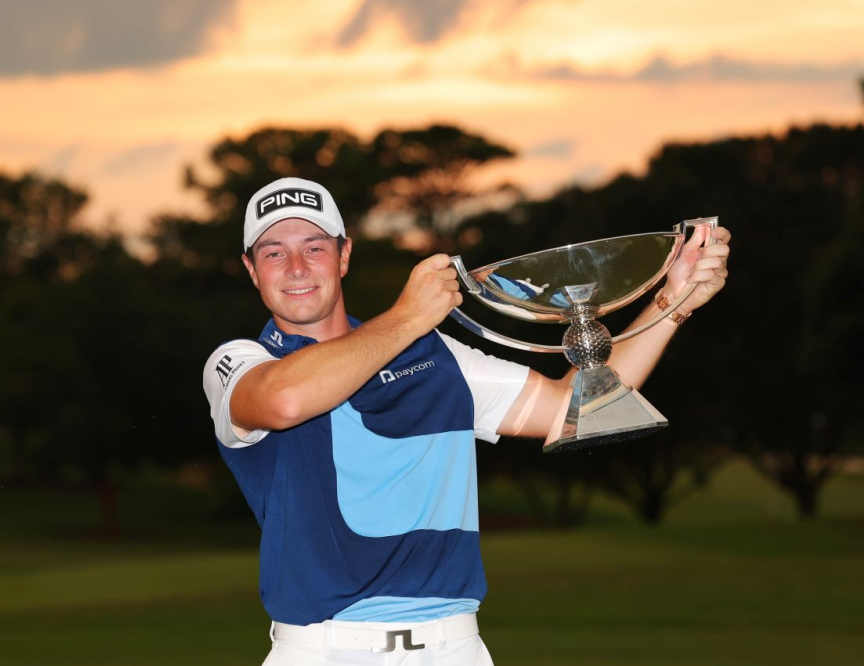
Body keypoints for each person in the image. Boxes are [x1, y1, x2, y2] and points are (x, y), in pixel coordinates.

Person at [202, 177, 731, 665]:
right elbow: (287, 401)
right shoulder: (242, 363)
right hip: (322, 650)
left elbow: (575, 408)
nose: (296, 267)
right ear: (251, 270)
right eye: (274, 252)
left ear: (344, 256)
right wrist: (410, 316)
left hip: (454, 647)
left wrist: (672, 301)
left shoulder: (436, 356)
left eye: (314, 247)